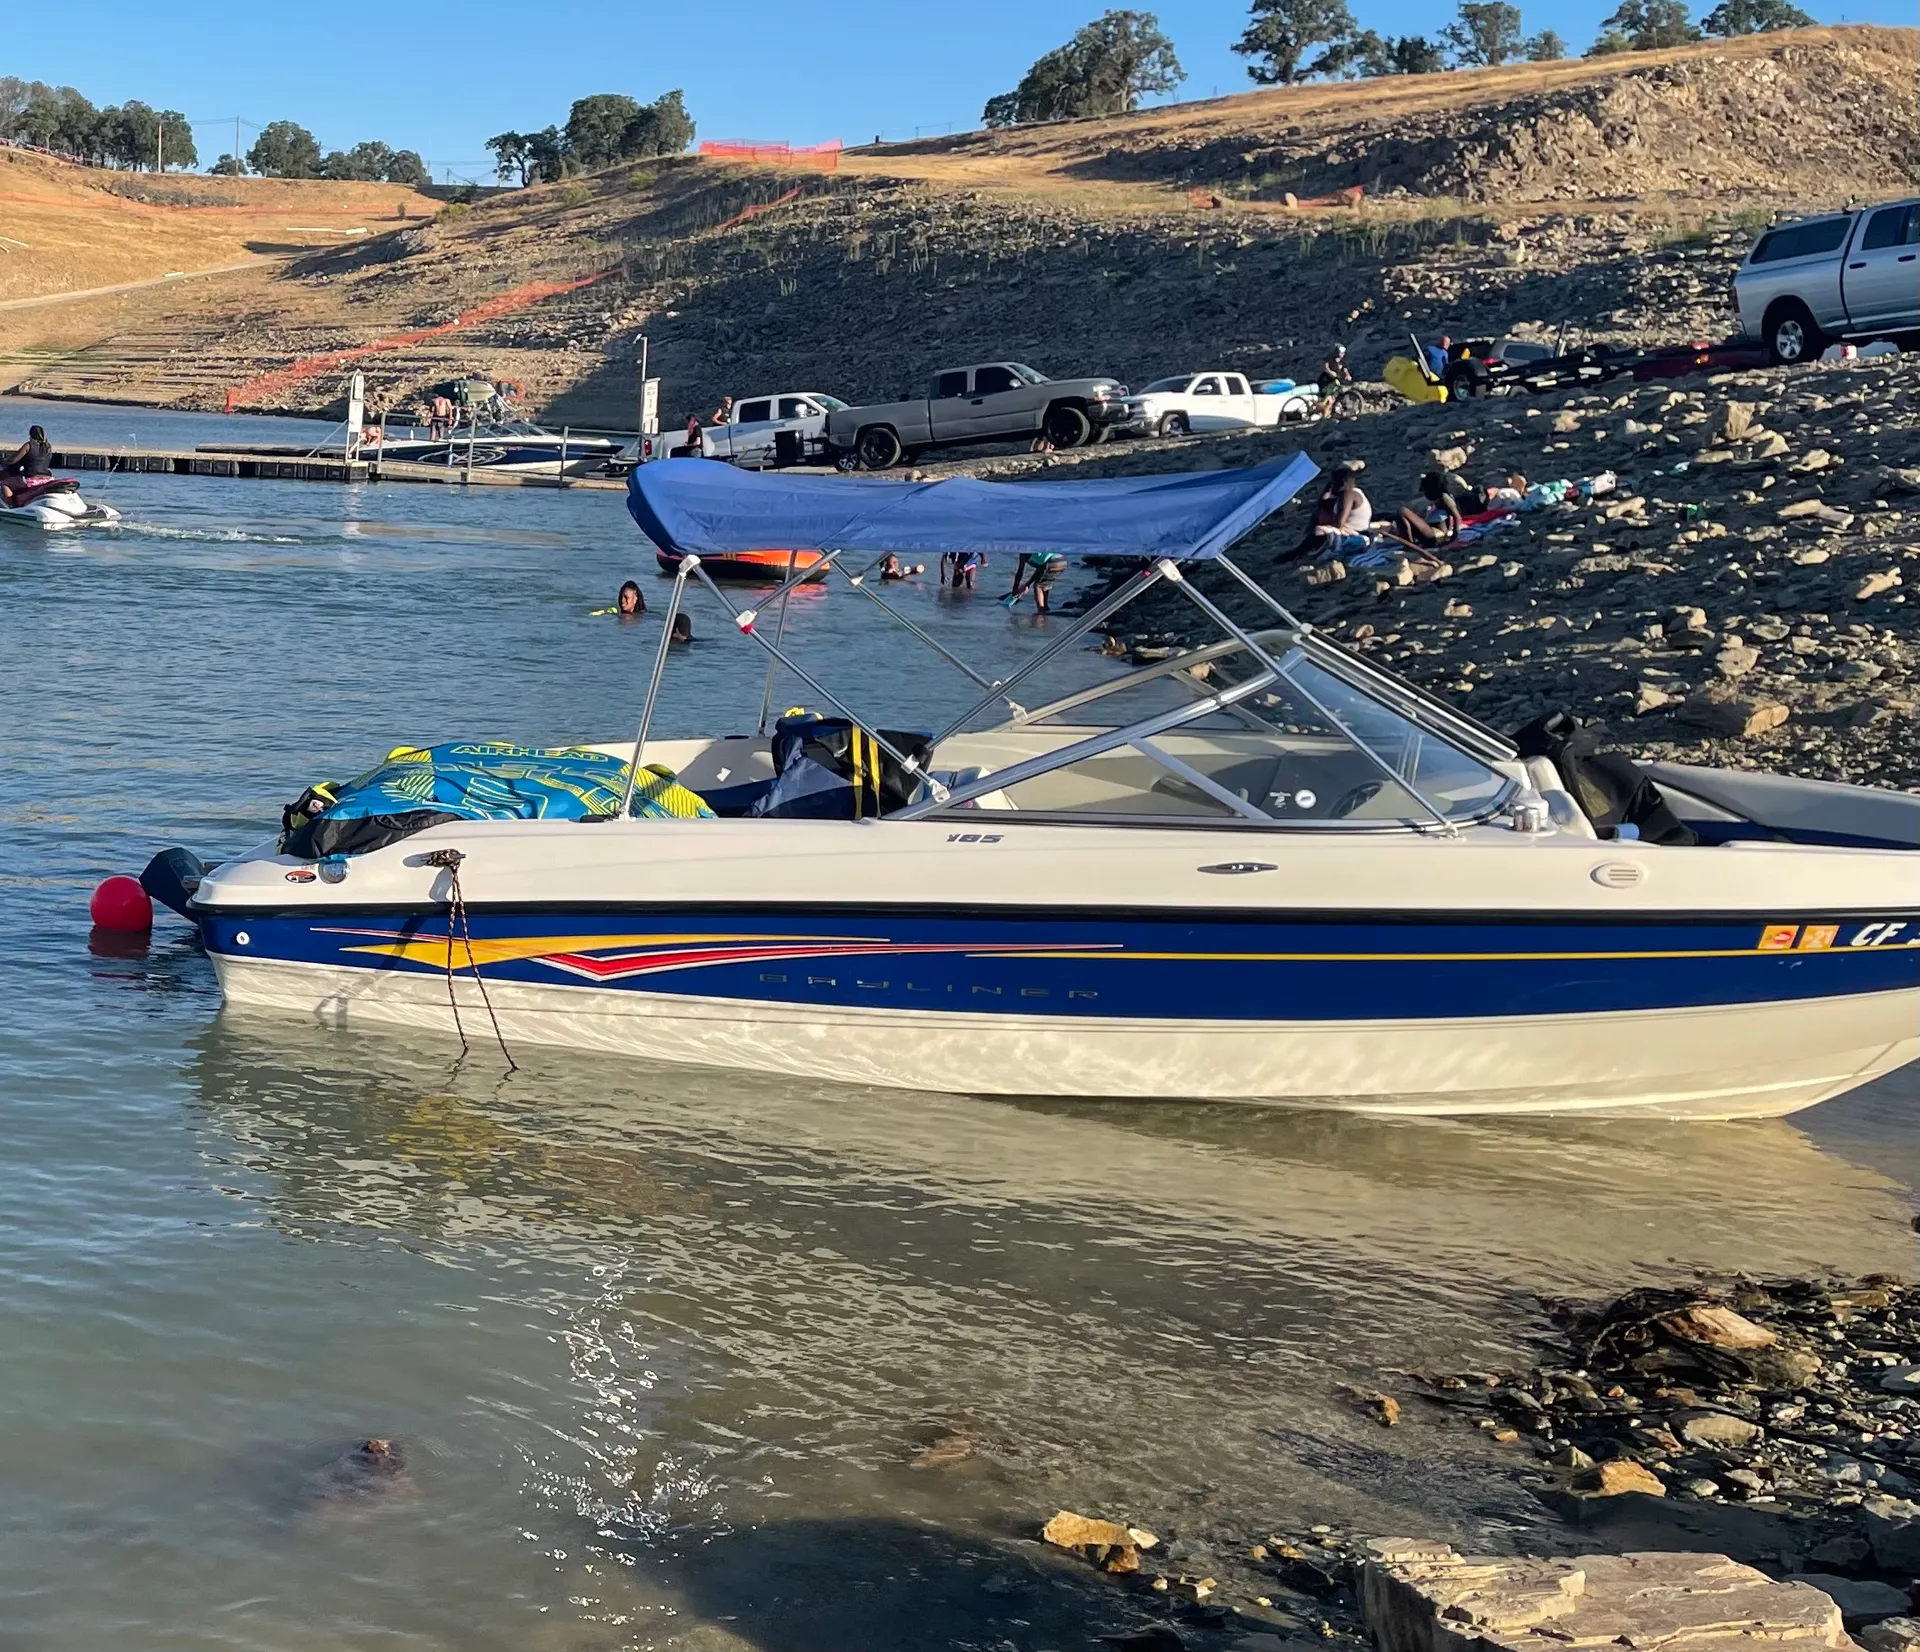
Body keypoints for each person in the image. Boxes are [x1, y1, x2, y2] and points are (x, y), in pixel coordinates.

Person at [1286, 465, 1371, 562]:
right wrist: (1329, 486)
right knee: (1318, 514)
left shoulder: (1348, 494)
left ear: (1342, 484)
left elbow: (1339, 523)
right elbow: (1322, 503)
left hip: (1355, 532)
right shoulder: (1350, 493)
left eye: (1334, 484)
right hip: (1351, 529)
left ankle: (1298, 553)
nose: (1332, 487)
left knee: (1318, 531)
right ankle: (1301, 549)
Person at [1393, 468, 1489, 552]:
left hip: (1436, 535)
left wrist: (1453, 539)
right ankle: (1409, 544)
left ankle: (1410, 546)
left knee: (1402, 510)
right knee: (1401, 517)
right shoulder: (1439, 499)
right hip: (1431, 534)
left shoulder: (1445, 498)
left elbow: (1457, 517)